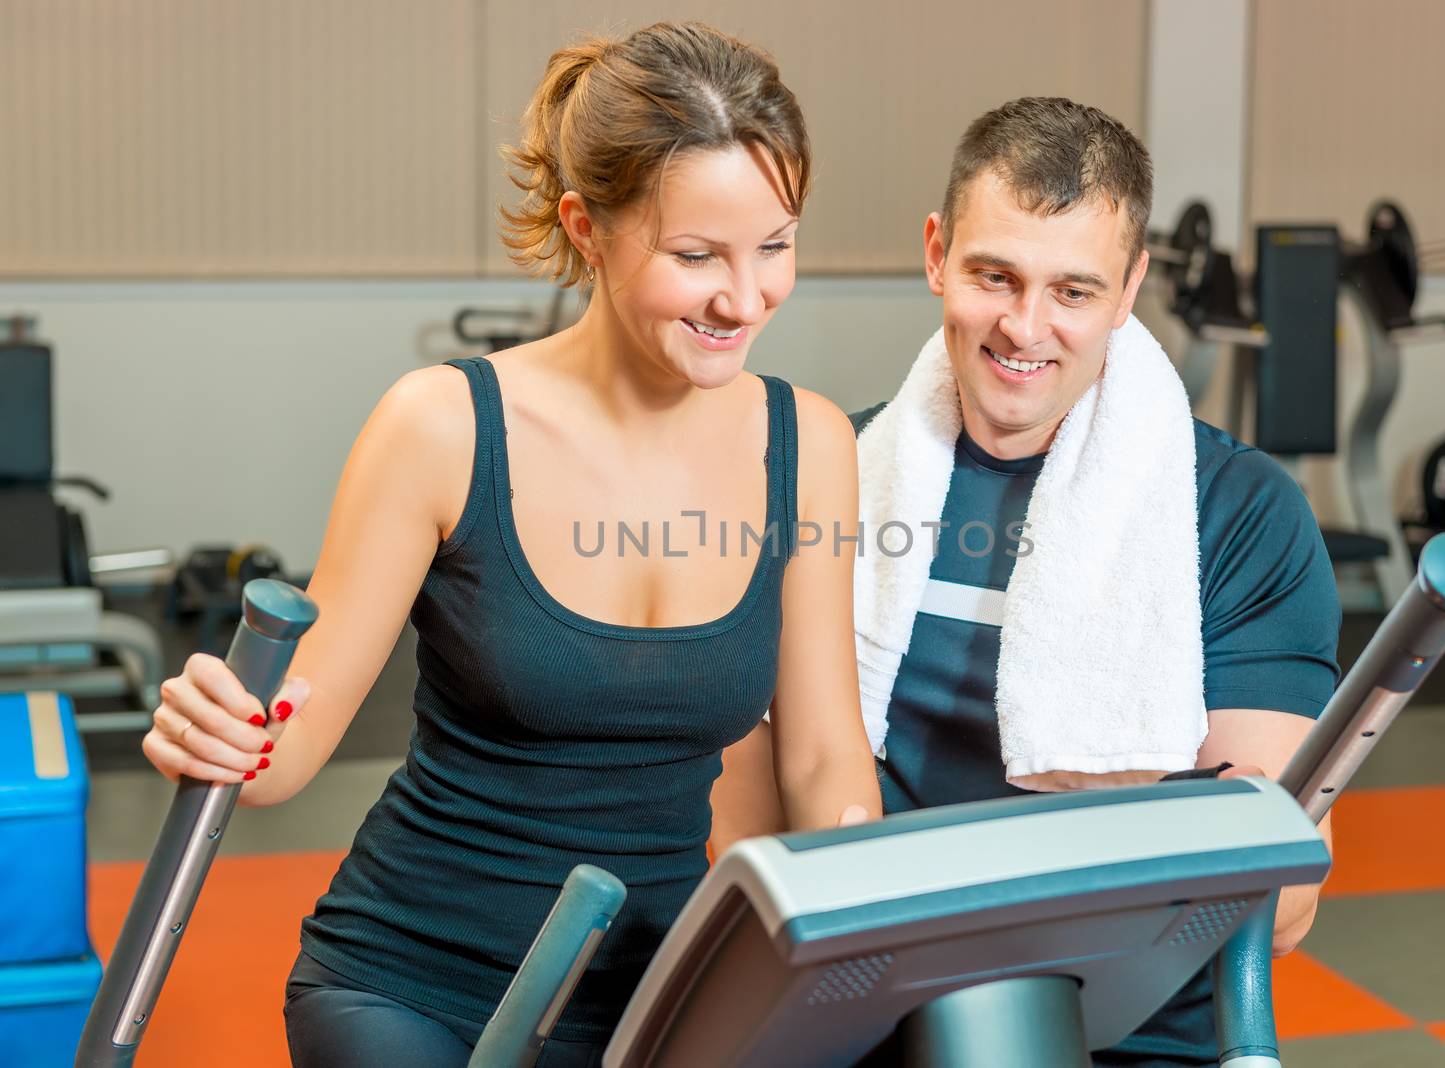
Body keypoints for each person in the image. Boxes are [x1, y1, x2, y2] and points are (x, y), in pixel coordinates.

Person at [140, 22, 879, 1068]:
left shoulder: (810, 444)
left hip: (654, 1004)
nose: (744, 296)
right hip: (411, 984)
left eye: (776, 245)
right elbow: (288, 741)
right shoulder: (439, 427)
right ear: (588, 227)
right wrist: (224, 734)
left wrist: (862, 932)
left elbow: (817, 752)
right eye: (696, 255)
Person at [711, 97, 1341, 1067]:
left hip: (1129, 1022)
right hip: (862, 1002)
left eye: (1073, 292)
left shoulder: (1236, 512)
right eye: (992, 275)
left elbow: (1280, 902)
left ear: (1130, 289)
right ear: (935, 255)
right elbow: (741, 833)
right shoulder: (830, 476)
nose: (1024, 326)